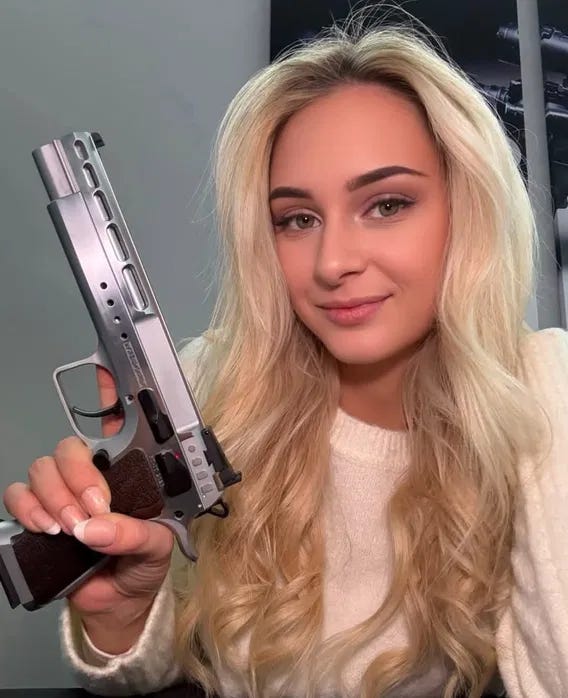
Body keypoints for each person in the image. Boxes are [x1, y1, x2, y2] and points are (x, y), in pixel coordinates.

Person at [3, 11, 568, 698]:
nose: (332, 263)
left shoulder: (542, 396)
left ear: (468, 208)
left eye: (387, 205)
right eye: (297, 219)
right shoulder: (215, 384)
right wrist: (121, 614)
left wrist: (547, 387)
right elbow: (151, 672)